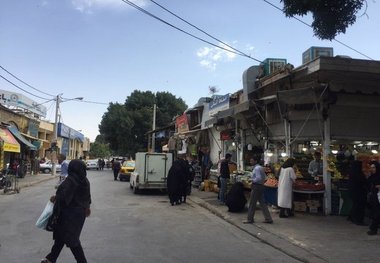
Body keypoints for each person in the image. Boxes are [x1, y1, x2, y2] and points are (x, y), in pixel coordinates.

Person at [41, 159, 91, 263]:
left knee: (72, 240)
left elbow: (63, 197)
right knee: (61, 237)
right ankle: (50, 259)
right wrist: (87, 208)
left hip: (68, 215)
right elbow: (87, 198)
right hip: (79, 215)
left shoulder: (70, 180)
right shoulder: (85, 181)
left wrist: (54, 198)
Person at [243, 156, 273, 224]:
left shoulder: (257, 168)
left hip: (256, 186)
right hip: (261, 186)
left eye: (252, 160)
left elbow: (258, 178)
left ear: (256, 161)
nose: (250, 162)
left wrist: (252, 180)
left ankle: (250, 219)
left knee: (252, 203)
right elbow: (264, 178)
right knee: (262, 203)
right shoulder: (260, 168)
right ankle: (268, 218)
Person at [348, 160, 367, 225]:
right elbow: (363, 181)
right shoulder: (358, 173)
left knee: (355, 205)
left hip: (353, 192)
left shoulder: (352, 172)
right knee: (359, 206)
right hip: (359, 193)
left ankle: (352, 217)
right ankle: (358, 220)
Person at [367, 161, 380, 235]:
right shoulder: (372, 176)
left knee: (376, 213)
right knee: (376, 212)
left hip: (378, 196)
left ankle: (373, 228)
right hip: (374, 197)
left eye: (374, 167)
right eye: (371, 168)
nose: (372, 169)